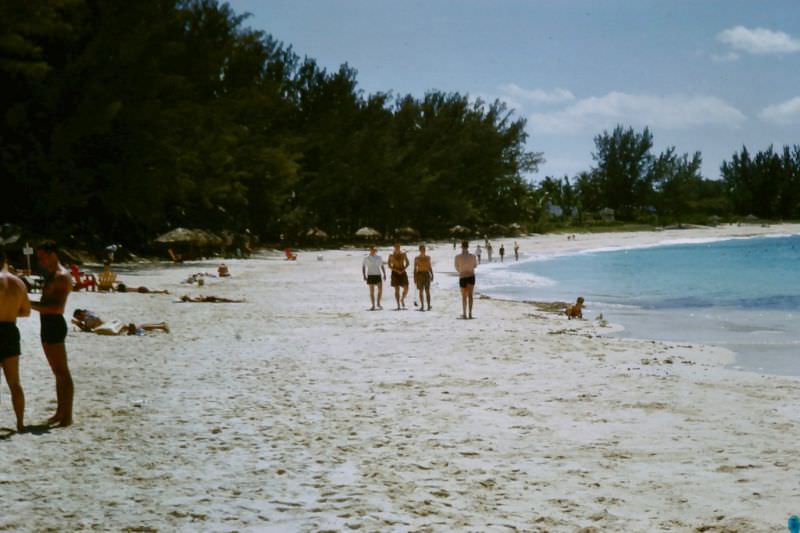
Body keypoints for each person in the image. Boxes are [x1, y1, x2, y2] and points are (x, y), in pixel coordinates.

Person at [30, 241, 74, 427]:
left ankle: (67, 416)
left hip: (54, 324)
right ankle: (60, 412)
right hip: (47, 324)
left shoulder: (61, 276)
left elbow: (57, 308)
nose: (40, 261)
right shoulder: (51, 275)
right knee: (58, 373)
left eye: (43, 256)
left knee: (62, 372)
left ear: (53, 254)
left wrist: (28, 304)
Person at [0, 253, 30, 432]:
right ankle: (20, 422)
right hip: (10, 330)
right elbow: (26, 311)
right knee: (14, 382)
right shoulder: (18, 282)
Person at [72, 309, 169, 335]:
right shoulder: (89, 314)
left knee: (138, 328)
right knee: (139, 327)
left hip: (111, 328)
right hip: (111, 325)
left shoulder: (88, 317)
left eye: (78, 318)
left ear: (81, 314)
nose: (79, 320)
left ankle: (161, 326)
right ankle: (160, 325)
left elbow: (88, 329)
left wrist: (78, 324)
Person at [454, 240, 478, 319]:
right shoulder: (473, 256)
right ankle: (470, 313)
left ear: (461, 247)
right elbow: (475, 266)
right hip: (471, 276)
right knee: (470, 295)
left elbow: (457, 268)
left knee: (464, 296)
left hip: (463, 276)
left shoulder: (457, 257)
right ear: (468, 247)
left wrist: (462, 270)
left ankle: (464, 314)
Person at [361, 246, 386, 310]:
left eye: (375, 250)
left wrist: (384, 274)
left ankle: (378, 303)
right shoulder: (366, 258)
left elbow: (382, 266)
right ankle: (373, 305)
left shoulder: (379, 257)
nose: (374, 250)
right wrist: (364, 275)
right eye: (372, 249)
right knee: (372, 291)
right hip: (370, 275)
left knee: (380, 290)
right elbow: (363, 267)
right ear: (370, 250)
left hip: (378, 275)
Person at [387, 243, 410, 310]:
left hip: (402, 272)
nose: (397, 248)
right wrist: (396, 270)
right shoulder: (391, 256)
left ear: (400, 247)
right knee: (397, 289)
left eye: (398, 247)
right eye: (396, 247)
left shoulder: (403, 254)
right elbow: (389, 265)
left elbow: (408, 263)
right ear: (394, 248)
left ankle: (402, 299)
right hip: (395, 273)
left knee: (406, 288)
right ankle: (398, 305)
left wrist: (403, 269)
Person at [413, 244, 434, 311]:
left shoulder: (428, 257)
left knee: (427, 291)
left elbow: (430, 266)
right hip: (419, 274)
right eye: (422, 249)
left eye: (424, 249)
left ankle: (428, 305)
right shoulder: (417, 258)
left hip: (427, 274)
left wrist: (432, 274)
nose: (423, 250)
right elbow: (415, 268)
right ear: (420, 250)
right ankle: (422, 306)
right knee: (421, 291)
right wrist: (414, 277)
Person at [179, 295, 244, 303]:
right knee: (223, 299)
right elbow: (200, 301)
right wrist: (202, 298)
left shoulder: (191, 299)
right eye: (186, 296)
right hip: (208, 299)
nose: (187, 296)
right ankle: (235, 301)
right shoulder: (191, 300)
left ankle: (235, 301)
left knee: (223, 299)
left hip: (208, 298)